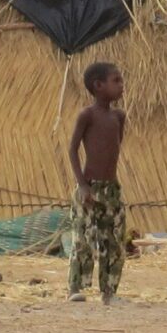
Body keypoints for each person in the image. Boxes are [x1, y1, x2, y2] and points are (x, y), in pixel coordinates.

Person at [66, 61, 130, 304]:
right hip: (89, 187)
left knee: (114, 241)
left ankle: (109, 291)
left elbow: (116, 146)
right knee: (83, 238)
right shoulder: (87, 115)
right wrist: (83, 185)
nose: (121, 85)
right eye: (116, 81)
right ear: (98, 86)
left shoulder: (119, 117)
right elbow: (72, 150)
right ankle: (74, 287)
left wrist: (110, 186)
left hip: (111, 190)